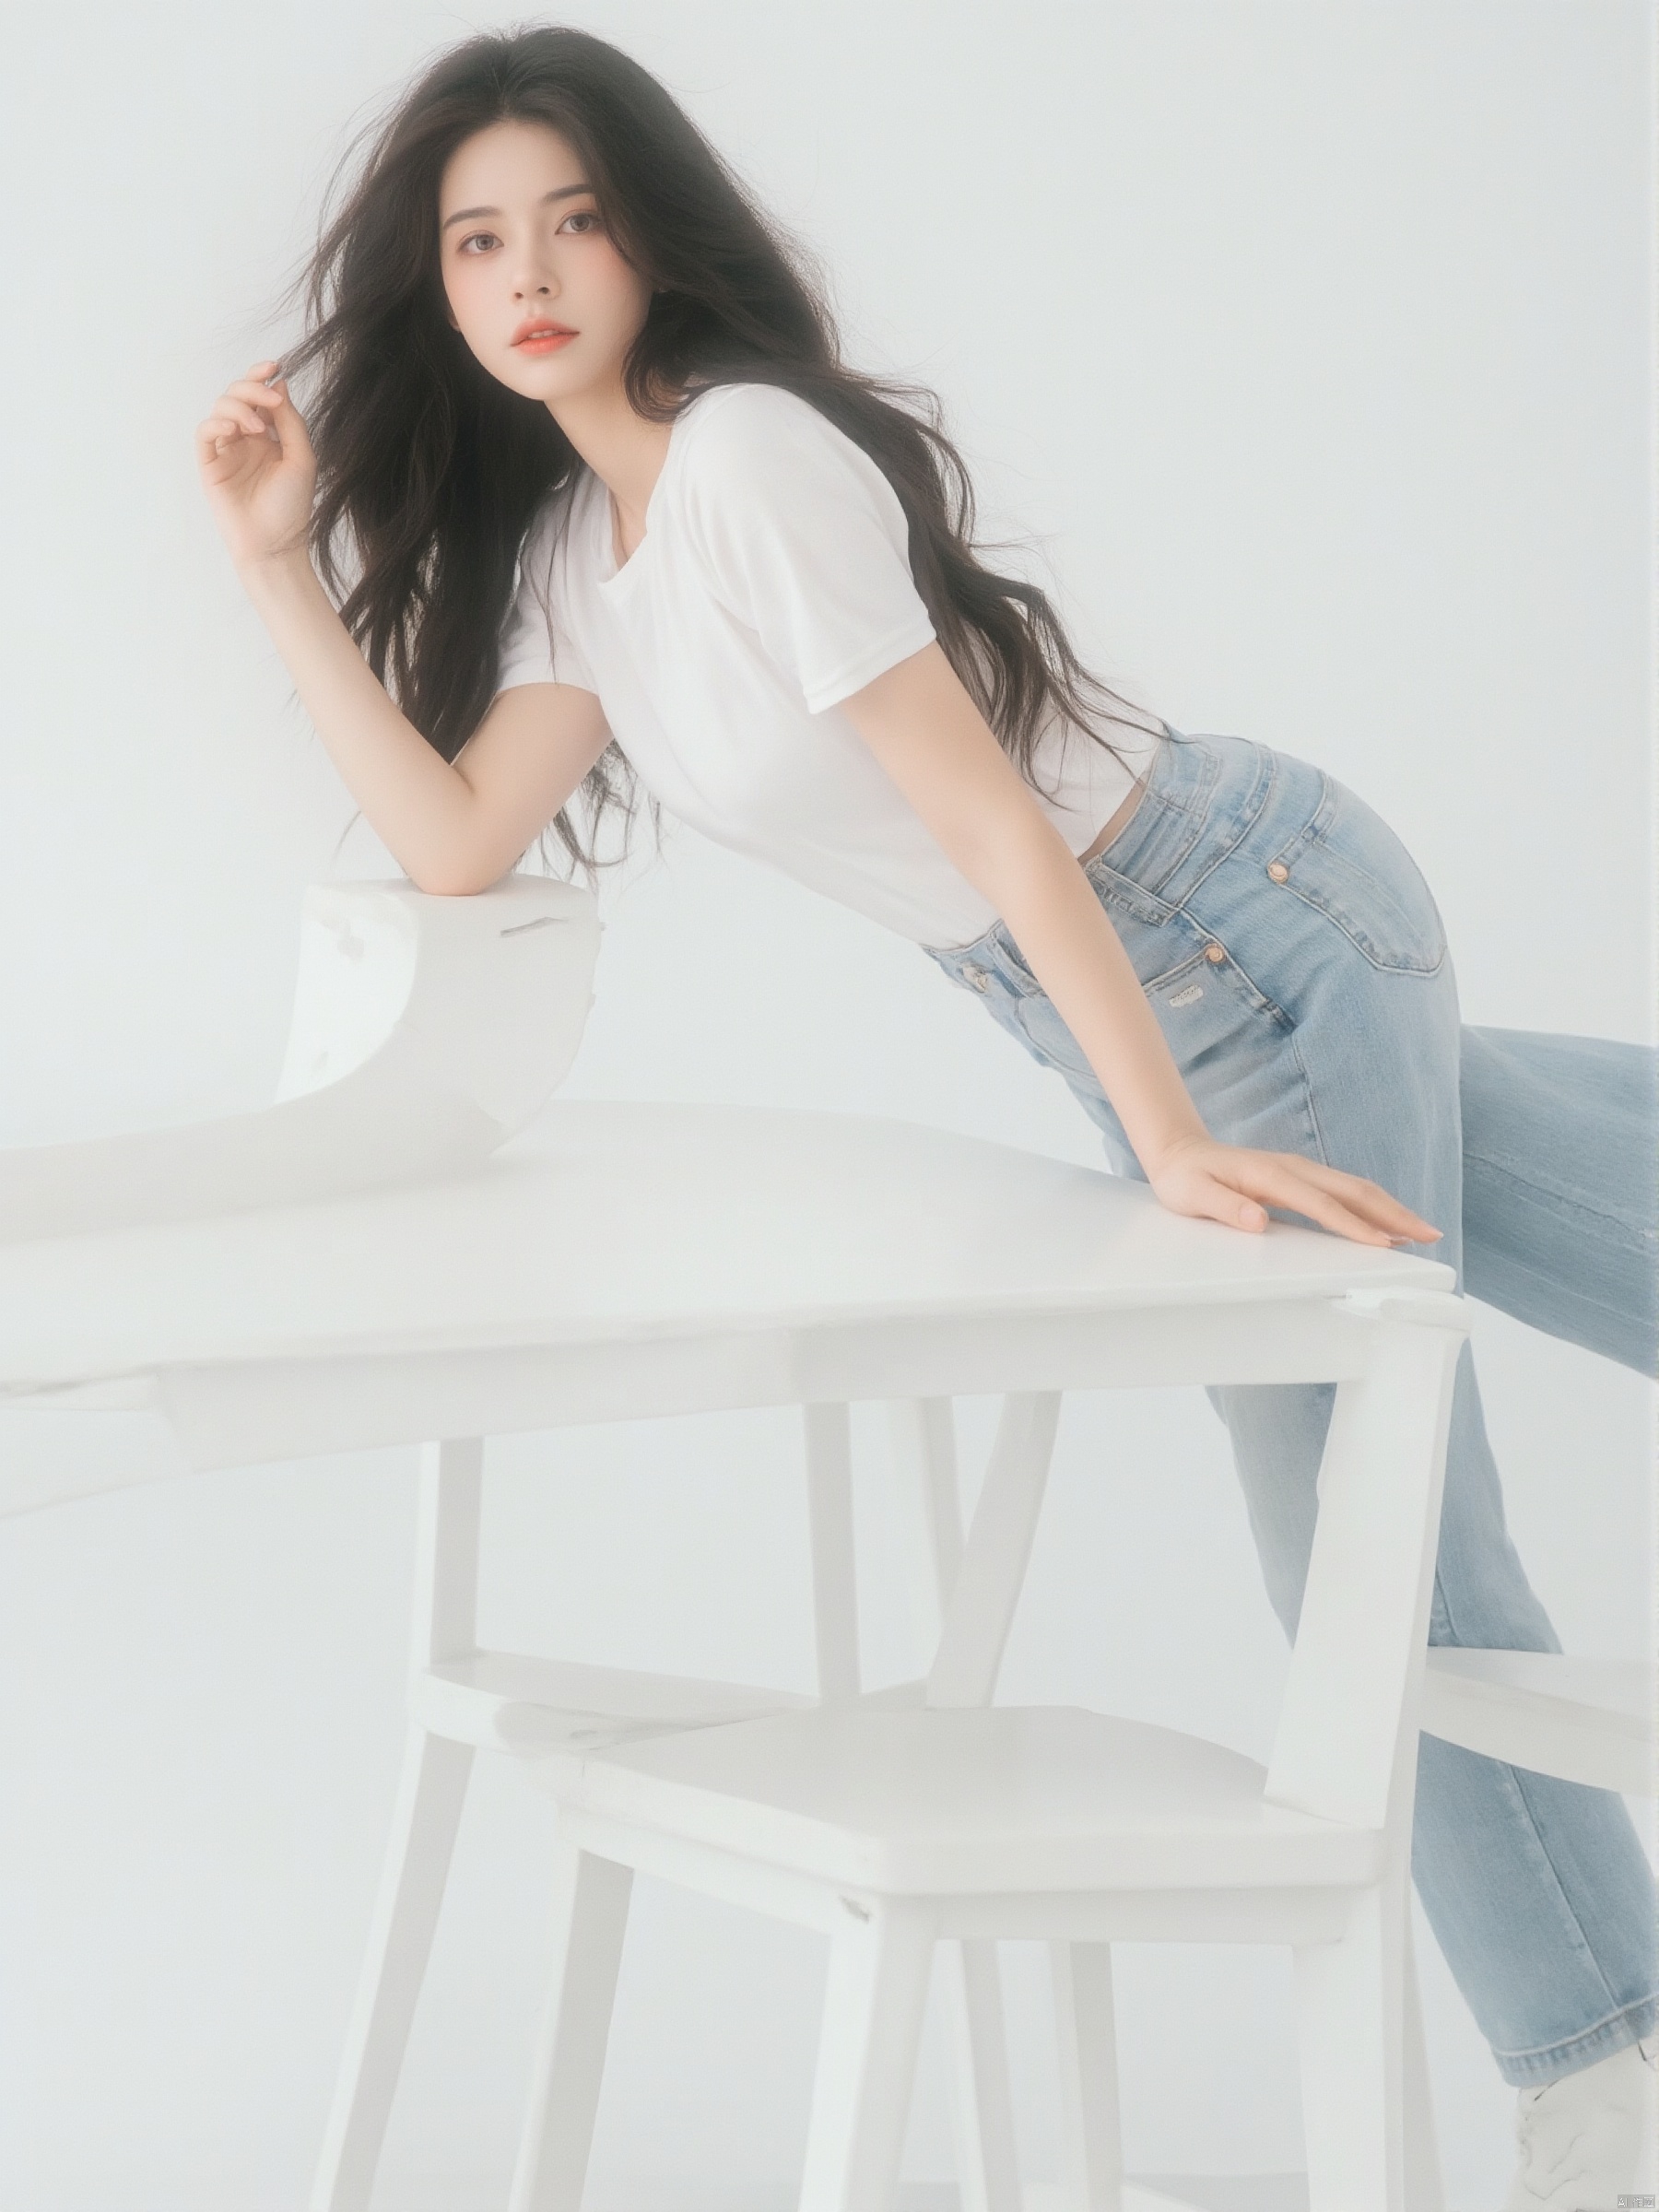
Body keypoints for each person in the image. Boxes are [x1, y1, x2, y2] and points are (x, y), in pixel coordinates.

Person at [194, 26, 1656, 2205]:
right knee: (1563, 1236)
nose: (533, 274)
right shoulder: (589, 547)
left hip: (1236, 931)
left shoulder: (748, 458)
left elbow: (988, 816)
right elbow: (458, 842)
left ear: (651, 237)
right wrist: (273, 567)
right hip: (1137, 981)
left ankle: (1610, 2072)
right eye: (480, 241)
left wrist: (1169, 1138)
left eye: (575, 220)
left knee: (1371, 1549)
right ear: (441, 287)